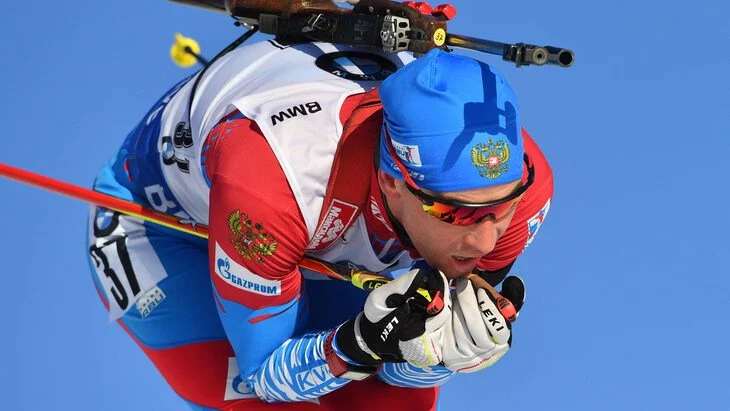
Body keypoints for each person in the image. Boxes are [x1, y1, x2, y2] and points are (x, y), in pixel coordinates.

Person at [86, 37, 553, 411]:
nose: (485, 240)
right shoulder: (277, 182)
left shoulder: (522, 190)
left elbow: (409, 365)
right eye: (453, 212)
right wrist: (358, 344)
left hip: (310, 234)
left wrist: (430, 359)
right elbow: (264, 375)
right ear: (393, 182)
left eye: (502, 208)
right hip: (161, 228)